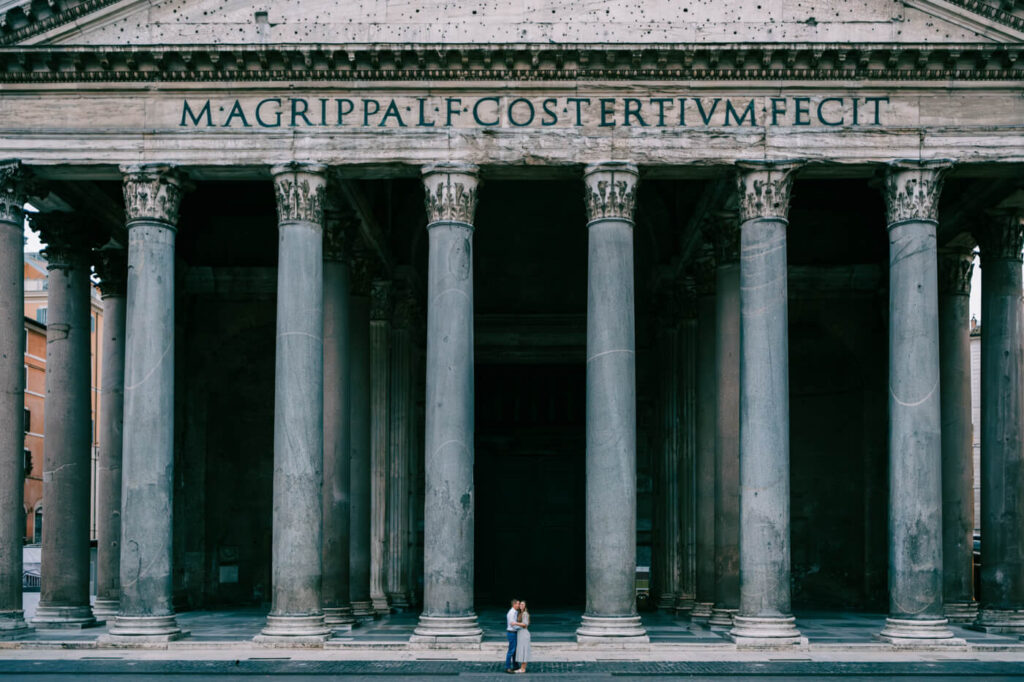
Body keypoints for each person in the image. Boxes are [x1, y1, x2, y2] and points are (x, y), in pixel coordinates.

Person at [513, 600, 531, 674]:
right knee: (522, 650)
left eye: (523, 604)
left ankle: (523, 669)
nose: (521, 605)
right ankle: (522, 668)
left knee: (524, 650)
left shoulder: (525, 614)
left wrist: (515, 623)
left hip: (524, 634)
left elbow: (525, 624)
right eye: (520, 604)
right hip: (520, 634)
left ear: (525, 606)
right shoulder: (520, 613)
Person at [505, 598, 521, 673]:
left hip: (513, 632)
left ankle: (515, 665)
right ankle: (507, 667)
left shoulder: (515, 612)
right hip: (512, 632)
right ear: (514, 604)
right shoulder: (512, 613)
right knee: (511, 650)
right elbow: (513, 624)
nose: (519, 605)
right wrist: (521, 627)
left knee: (514, 650)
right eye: (518, 604)